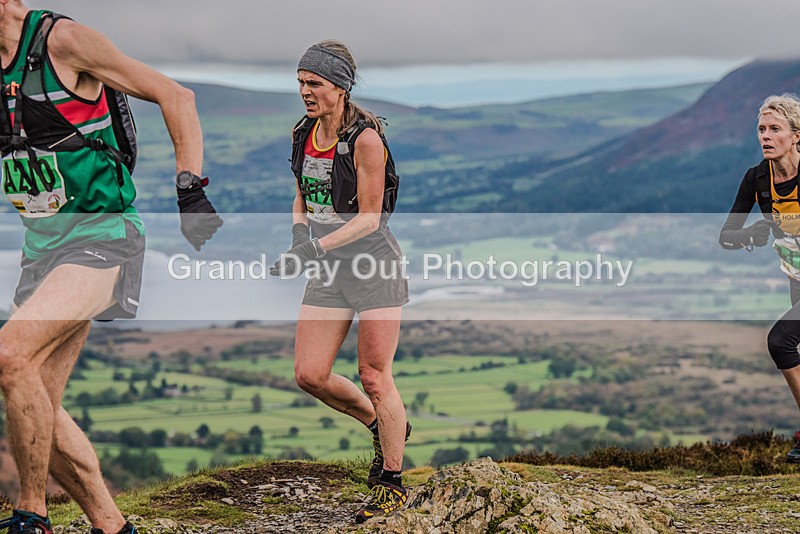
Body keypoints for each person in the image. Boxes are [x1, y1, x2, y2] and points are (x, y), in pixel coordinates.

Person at [0, 3, 222, 534]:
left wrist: (189, 191)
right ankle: (112, 525)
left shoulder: (65, 42)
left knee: (10, 356)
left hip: (103, 236)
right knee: (37, 407)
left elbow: (177, 95)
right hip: (43, 248)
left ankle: (31, 513)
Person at [270, 40, 410, 523]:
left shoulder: (365, 139)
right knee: (310, 373)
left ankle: (391, 481)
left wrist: (313, 249)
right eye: (301, 83)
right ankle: (381, 425)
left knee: (374, 374)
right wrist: (298, 239)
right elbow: (302, 197)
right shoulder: (303, 133)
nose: (305, 92)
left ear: (341, 87)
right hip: (328, 266)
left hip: (374, 264)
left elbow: (370, 218)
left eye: (315, 84)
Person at [720, 93, 800, 462]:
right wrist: (751, 235)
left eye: (775, 129)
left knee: (780, 341)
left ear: (796, 135)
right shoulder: (756, 179)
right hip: (795, 278)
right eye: (761, 129)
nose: (766, 136)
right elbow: (727, 236)